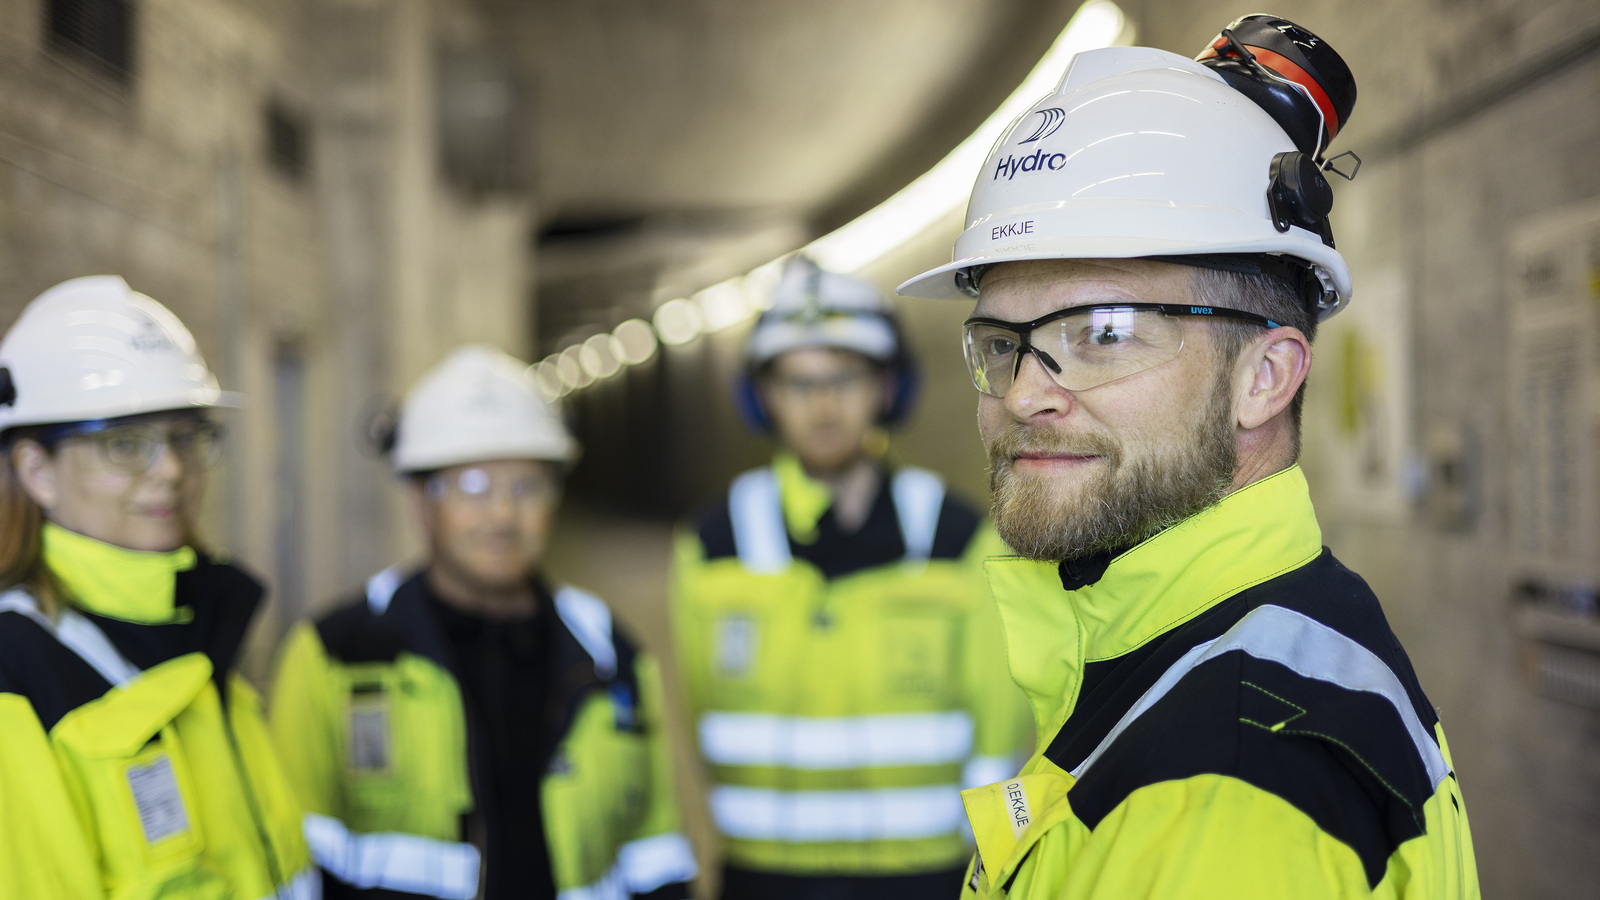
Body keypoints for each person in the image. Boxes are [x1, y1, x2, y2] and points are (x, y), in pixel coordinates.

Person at [895, 15, 1480, 899]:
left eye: (1103, 333)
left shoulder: (1230, 793)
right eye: (1003, 342)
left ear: (1266, 376)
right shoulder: (1212, 654)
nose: (1021, 394)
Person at [270, 345, 696, 900]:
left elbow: (656, 856)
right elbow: (293, 863)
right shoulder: (337, 655)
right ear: (421, 500)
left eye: (526, 486)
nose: (502, 514)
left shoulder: (610, 655)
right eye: (473, 486)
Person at [671, 258, 1027, 900]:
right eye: (798, 382)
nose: (825, 404)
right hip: (760, 881)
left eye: (846, 377)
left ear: (888, 388)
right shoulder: (711, 544)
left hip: (929, 879)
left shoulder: (961, 539)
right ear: (763, 396)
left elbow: (998, 734)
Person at [0, 275, 317, 899]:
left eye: (183, 437)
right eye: (124, 444)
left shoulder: (197, 627)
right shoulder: (17, 674)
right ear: (37, 471)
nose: (171, 470)